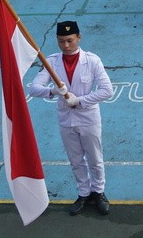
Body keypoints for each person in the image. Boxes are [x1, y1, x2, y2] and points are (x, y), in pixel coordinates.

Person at [27, 21, 113, 216]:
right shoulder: (51, 62)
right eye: (61, 41)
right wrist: (52, 91)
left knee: (95, 158)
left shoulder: (92, 61)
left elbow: (107, 90)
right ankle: (84, 193)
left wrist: (80, 100)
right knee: (75, 159)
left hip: (88, 117)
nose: (65, 46)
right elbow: (34, 88)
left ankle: (98, 192)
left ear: (78, 38)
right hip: (66, 118)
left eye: (69, 40)